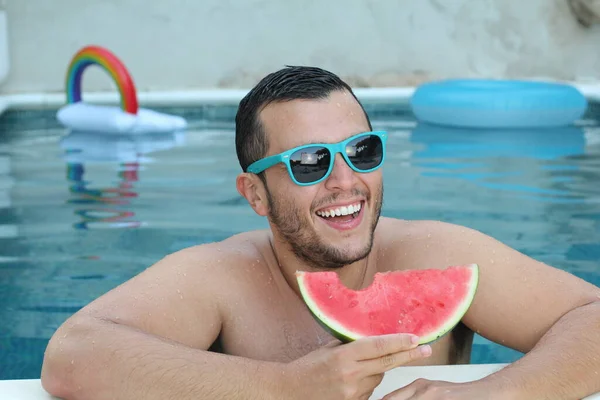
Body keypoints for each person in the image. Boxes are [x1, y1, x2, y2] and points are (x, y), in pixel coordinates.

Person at [41, 66, 600, 400]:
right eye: (310, 162)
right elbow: (72, 356)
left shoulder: (436, 254)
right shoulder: (223, 278)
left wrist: (494, 395)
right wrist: (282, 389)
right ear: (254, 193)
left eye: (361, 151)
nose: (345, 181)